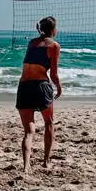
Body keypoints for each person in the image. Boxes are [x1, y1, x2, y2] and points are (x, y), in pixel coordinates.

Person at [16, 16, 61, 171]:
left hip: (24, 86)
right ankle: (46, 161)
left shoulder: (31, 43)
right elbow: (53, 74)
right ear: (54, 30)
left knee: (29, 131)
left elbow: (39, 43)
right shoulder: (54, 45)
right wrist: (59, 87)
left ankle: (26, 166)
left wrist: (40, 31)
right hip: (40, 86)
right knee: (49, 123)